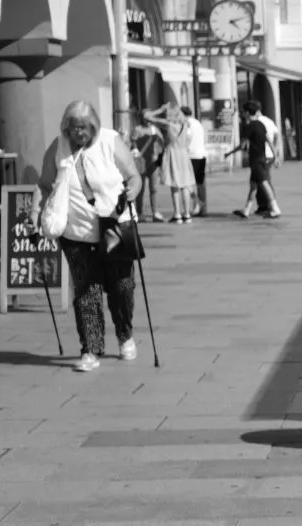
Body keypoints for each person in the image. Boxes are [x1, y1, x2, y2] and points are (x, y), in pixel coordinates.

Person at [36, 101, 141, 372]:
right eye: (72, 128)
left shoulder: (110, 141)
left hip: (114, 226)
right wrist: (42, 214)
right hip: (75, 233)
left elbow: (134, 176)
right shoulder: (57, 147)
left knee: (122, 286)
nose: (78, 132)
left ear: (93, 125)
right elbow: (45, 183)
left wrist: (133, 191)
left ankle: (124, 334)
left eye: (82, 127)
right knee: (86, 291)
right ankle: (91, 349)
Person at [227, 100, 283, 219]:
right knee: (253, 185)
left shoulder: (249, 126)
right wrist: (276, 156)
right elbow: (269, 140)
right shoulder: (261, 125)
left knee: (264, 182)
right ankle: (246, 210)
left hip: (256, 160)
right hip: (263, 158)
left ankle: (275, 208)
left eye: (244, 112)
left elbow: (242, 145)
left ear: (247, 113)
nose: (243, 114)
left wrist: (230, 153)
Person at [144, 103, 195, 223]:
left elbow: (147, 116)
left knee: (175, 185)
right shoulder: (186, 125)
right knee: (185, 185)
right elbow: (188, 141)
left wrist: (159, 109)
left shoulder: (168, 124)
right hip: (183, 155)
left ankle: (177, 214)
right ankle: (187, 214)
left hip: (173, 154)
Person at [128, 114, 165, 222]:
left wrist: (159, 148)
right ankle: (140, 213)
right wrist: (135, 150)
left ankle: (155, 212)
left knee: (154, 188)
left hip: (153, 161)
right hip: (141, 161)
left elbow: (162, 141)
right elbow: (133, 142)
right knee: (141, 188)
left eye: (149, 118)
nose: (148, 120)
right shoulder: (137, 129)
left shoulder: (154, 129)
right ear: (142, 118)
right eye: (146, 118)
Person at [182, 106, 208, 216]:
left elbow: (186, 139)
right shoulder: (197, 123)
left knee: (186, 182)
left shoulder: (186, 124)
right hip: (201, 154)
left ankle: (197, 203)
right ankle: (203, 208)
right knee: (200, 183)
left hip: (191, 155)